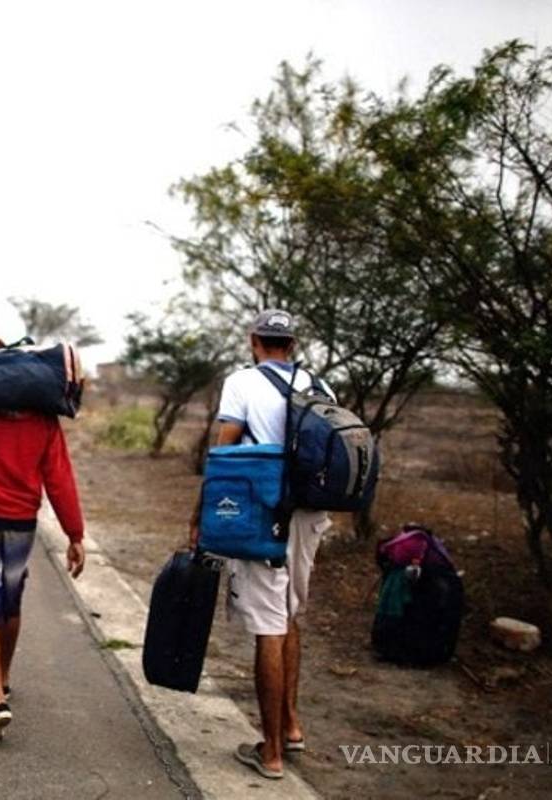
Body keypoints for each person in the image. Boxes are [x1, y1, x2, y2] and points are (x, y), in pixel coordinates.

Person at [193, 309, 333, 780]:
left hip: (264, 512)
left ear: (255, 341)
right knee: (290, 614)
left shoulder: (242, 383)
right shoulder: (319, 384)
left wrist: (201, 514)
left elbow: (225, 453)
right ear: (291, 345)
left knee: (268, 627)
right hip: (311, 515)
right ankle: (292, 727)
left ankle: (270, 751)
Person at [0, 336, 86, 741]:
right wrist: (74, 534)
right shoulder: (43, 419)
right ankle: (5, 677)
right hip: (20, 522)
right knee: (9, 603)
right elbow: (59, 478)